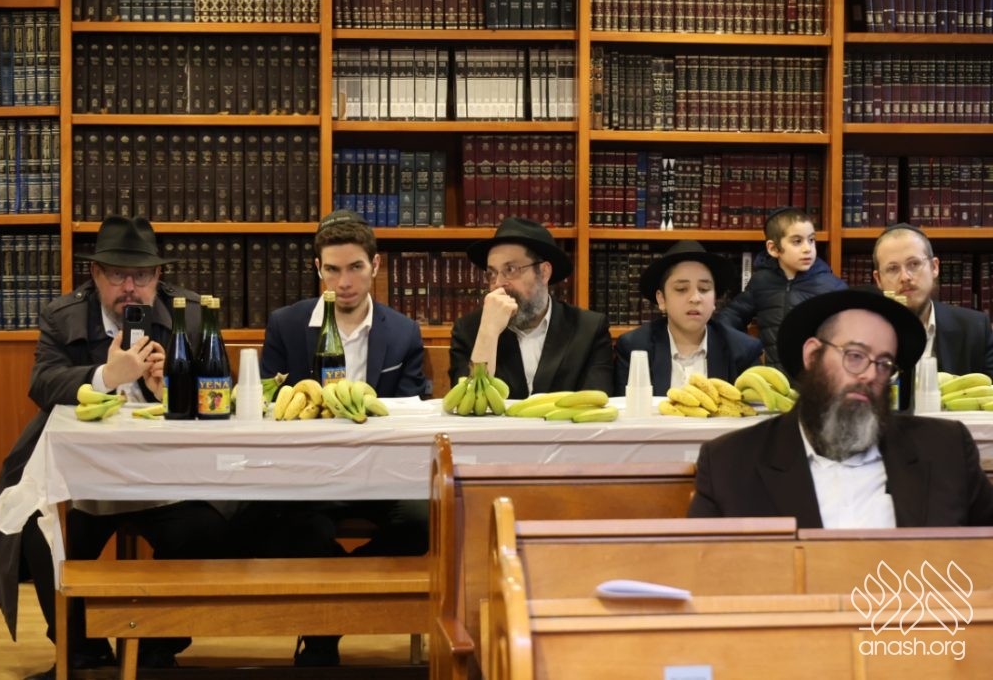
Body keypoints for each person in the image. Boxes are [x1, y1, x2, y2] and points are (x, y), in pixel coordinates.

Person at [0, 216, 230, 680]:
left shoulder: (191, 314)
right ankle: (82, 653)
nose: (129, 287)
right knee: (34, 528)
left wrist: (168, 388)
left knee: (209, 528)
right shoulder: (63, 316)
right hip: (83, 485)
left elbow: (221, 394)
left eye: (142, 275)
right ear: (95, 274)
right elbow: (42, 383)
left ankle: (156, 648)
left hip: (165, 481)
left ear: (158, 275)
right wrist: (105, 377)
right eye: (117, 274)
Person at [237, 208, 427, 667]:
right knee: (295, 528)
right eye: (333, 269)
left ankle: (336, 602)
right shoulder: (286, 324)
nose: (344, 282)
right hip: (308, 475)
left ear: (375, 265)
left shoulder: (403, 332)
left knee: (424, 519)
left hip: (382, 474)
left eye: (355, 267)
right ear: (317, 269)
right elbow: (269, 406)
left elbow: (412, 410)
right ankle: (323, 640)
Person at [688, 288, 993, 528]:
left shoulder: (946, 450)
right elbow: (700, 574)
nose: (871, 375)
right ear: (813, 356)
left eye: (884, 364)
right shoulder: (731, 464)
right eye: (855, 356)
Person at [450, 216, 613, 398]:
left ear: (544, 272)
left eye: (511, 269)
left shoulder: (588, 329)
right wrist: (488, 333)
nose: (498, 283)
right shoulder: (469, 330)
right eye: (492, 273)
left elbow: (596, 403)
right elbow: (467, 404)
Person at [615, 240, 763, 397]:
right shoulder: (635, 347)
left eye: (704, 289)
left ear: (714, 300)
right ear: (662, 299)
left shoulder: (743, 350)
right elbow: (625, 408)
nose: (695, 298)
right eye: (681, 289)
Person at [715, 206, 847, 372]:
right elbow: (729, 318)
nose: (808, 248)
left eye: (811, 240)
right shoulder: (761, 282)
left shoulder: (832, 286)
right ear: (773, 249)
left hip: (817, 381)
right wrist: (747, 352)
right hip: (774, 381)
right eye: (797, 241)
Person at [872, 223, 993, 380]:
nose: (905, 277)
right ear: (878, 280)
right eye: (892, 269)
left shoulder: (975, 329)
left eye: (914, 264)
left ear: (934, 267)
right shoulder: (864, 335)